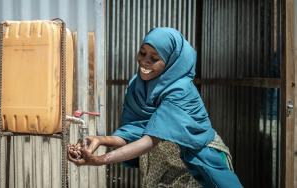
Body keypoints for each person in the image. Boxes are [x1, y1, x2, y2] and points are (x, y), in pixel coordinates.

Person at [68, 27, 242, 188]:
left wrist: (100, 160)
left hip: (198, 159)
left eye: (154, 58)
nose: (144, 62)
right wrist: (100, 140)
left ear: (171, 61)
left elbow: (150, 140)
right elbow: (134, 131)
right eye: (142, 53)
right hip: (161, 159)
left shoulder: (180, 91)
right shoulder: (138, 85)